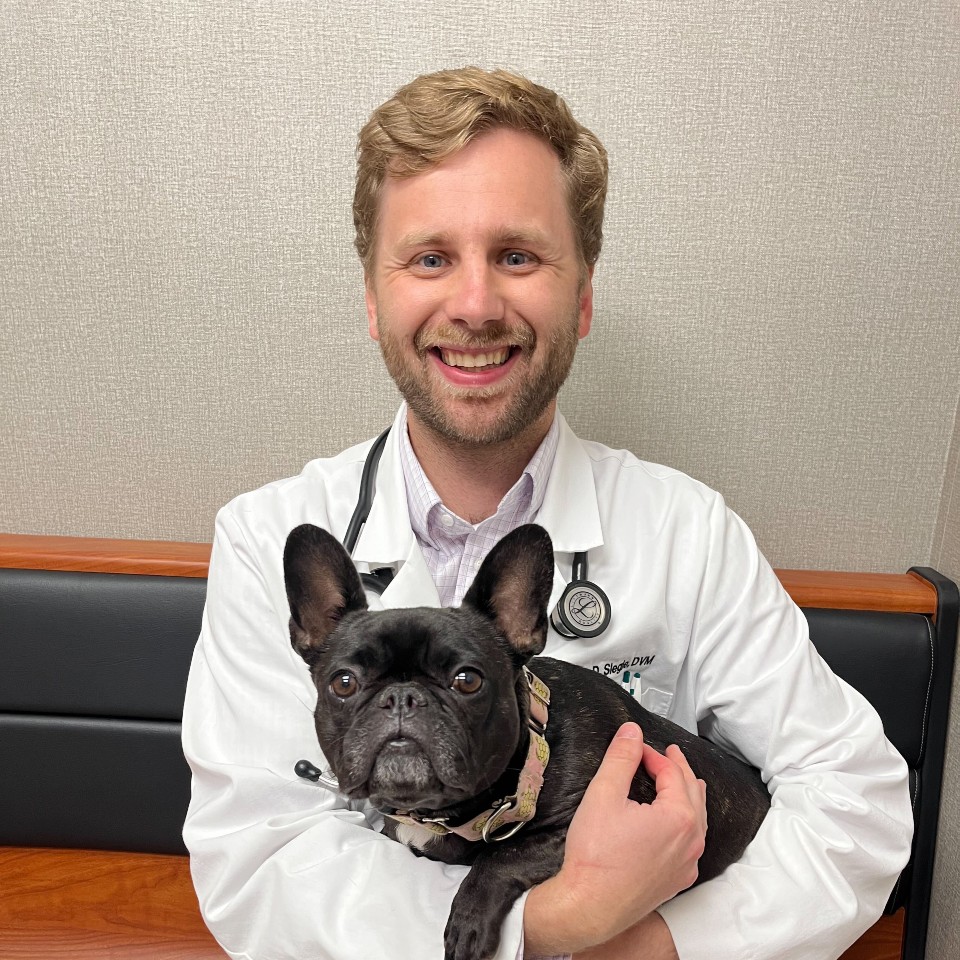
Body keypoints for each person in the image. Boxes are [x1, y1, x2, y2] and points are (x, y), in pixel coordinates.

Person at [182, 67, 913, 959]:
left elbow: (857, 807)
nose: (477, 305)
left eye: (518, 257)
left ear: (584, 295)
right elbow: (259, 864)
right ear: (374, 300)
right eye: (430, 258)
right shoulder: (267, 535)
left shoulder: (689, 531)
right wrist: (553, 926)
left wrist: (653, 947)